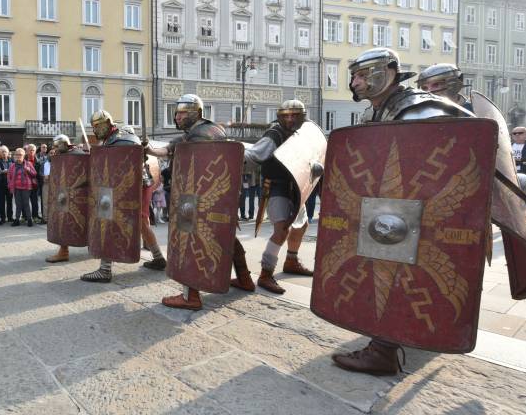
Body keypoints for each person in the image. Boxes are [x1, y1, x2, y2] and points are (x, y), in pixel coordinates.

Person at [330, 47, 472, 376]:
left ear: (389, 72)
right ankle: (392, 340)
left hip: (421, 217)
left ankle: (383, 350)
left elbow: (448, 161)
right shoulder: (377, 112)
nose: (356, 81)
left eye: (364, 74)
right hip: (393, 211)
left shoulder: (418, 109)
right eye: (354, 75)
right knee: (390, 274)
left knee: (397, 275)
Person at [145, 94, 253, 309]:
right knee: (227, 236)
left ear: (196, 113)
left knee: (189, 241)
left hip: (196, 199)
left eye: (182, 113)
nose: (177, 117)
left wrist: (150, 149)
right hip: (218, 196)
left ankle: (190, 296)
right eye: (176, 113)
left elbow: (174, 151)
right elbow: (168, 150)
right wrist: (148, 148)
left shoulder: (198, 135)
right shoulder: (210, 130)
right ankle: (244, 278)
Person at [81, 110, 167, 283]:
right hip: (136, 185)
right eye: (93, 127)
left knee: (108, 219)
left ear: (107, 123)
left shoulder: (121, 139)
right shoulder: (111, 140)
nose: (95, 130)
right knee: (142, 222)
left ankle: (105, 270)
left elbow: (123, 168)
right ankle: (158, 258)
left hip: (129, 186)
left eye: (97, 126)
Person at [241, 100, 315, 296]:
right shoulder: (275, 134)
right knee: (281, 230)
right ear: (280, 117)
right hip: (277, 186)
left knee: (301, 225)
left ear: (302, 116)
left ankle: (291, 260)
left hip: (298, 187)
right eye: (286, 116)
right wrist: (233, 157)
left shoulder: (304, 135)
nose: (290, 119)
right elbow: (254, 154)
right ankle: (266, 274)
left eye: (294, 115)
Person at [45, 134, 87, 263]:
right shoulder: (60, 156)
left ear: (64, 144)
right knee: (63, 222)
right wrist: (52, 157)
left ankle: (95, 247)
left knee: (84, 221)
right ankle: (64, 251)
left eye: (57, 146)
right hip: (63, 196)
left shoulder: (79, 154)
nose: (55, 149)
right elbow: (51, 161)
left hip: (81, 194)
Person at [8, 147, 36, 227]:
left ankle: (29, 220)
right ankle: (17, 220)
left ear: (24, 155)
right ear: (15, 156)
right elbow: (9, 177)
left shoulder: (28, 164)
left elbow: (34, 174)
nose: (18, 156)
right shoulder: (12, 166)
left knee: (26, 204)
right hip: (16, 187)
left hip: (27, 187)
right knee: (18, 204)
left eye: (20, 155)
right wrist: (10, 185)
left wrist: (28, 169)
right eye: (17, 154)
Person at [0, 145, 14, 224]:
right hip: (1, 184)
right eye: (2, 152)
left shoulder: (12, 160)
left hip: (10, 184)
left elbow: (13, 171)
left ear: (8, 152)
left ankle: (10, 217)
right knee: (1, 202)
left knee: (10, 201)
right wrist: (5, 171)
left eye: (5, 151)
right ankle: (2, 217)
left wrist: (4, 171)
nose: (4, 153)